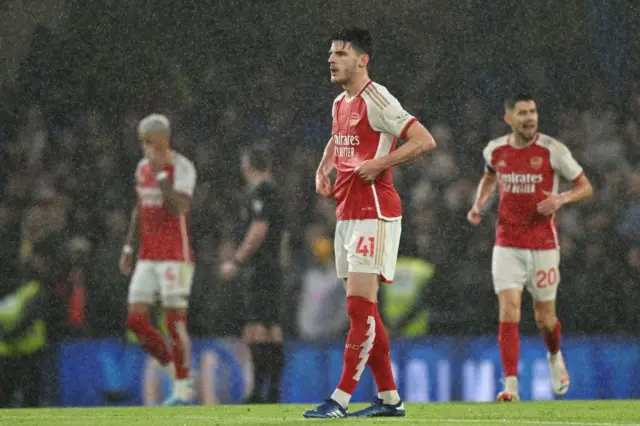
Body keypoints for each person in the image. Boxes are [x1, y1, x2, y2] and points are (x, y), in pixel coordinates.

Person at [303, 27, 436, 419]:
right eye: (331, 53)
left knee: (361, 311)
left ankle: (340, 399)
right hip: (347, 213)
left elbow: (424, 141)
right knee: (366, 312)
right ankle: (390, 399)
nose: (332, 59)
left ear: (363, 60)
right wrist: (323, 167)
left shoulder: (378, 98)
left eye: (341, 53)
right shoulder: (340, 102)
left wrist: (380, 162)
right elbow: (337, 138)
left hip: (375, 213)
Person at [466, 93, 594, 401]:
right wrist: (479, 204)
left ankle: (554, 357)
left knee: (544, 319)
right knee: (509, 311)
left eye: (533, 112)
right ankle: (510, 385)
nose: (530, 117)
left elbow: (586, 186)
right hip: (507, 243)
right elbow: (489, 177)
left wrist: (561, 199)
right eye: (523, 113)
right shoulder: (495, 150)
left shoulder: (553, 150)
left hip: (543, 245)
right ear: (508, 118)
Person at [119, 113, 197, 406]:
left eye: (148, 141)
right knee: (136, 320)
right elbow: (140, 208)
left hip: (176, 256)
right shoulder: (141, 168)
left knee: (174, 321)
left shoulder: (183, 167)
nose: (144, 148)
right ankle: (173, 368)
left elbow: (178, 209)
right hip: (147, 256)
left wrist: (162, 174)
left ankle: (182, 386)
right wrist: (129, 247)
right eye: (142, 142)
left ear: (163, 140)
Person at [220, 144, 287, 403]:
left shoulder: (263, 192)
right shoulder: (275, 192)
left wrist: (236, 260)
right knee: (269, 327)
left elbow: (259, 229)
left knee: (257, 328)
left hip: (261, 267)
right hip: (270, 267)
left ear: (247, 164)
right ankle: (269, 391)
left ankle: (262, 391)